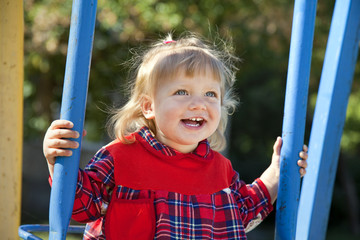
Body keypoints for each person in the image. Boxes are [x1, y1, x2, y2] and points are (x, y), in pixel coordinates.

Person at [43, 33, 308, 240]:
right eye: (182, 92)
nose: (198, 104)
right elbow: (80, 205)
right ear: (149, 106)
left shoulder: (219, 170)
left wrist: (277, 173)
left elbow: (245, 211)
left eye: (210, 94)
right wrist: (57, 159)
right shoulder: (119, 157)